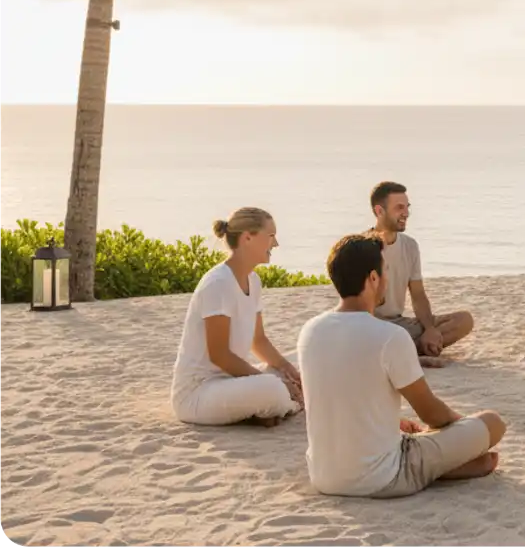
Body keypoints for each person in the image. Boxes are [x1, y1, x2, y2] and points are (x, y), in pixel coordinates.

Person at [298, 234, 506, 498]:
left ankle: (445, 462)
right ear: (373, 279)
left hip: (324, 477)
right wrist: (460, 427)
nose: (387, 278)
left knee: (415, 434)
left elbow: (339, 395)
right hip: (384, 477)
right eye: (385, 270)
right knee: (492, 422)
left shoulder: (310, 330)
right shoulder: (390, 337)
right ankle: (445, 466)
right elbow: (433, 415)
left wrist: (391, 421)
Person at [171, 207, 302, 426]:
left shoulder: (254, 281)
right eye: (271, 236)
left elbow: (258, 341)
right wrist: (268, 381)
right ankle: (284, 405)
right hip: (199, 392)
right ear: (247, 237)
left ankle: (266, 410)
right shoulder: (218, 283)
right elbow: (220, 355)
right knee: (272, 388)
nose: (275, 244)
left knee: (300, 360)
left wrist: (288, 370)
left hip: (230, 382)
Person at [370, 181, 473, 367]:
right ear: (379, 211)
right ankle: (407, 353)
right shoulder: (362, 247)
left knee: (464, 320)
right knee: (385, 339)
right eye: (399, 208)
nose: (406, 213)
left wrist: (430, 329)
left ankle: (410, 351)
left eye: (407, 207)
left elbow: (418, 295)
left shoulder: (410, 246)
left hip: (401, 325)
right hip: (372, 327)